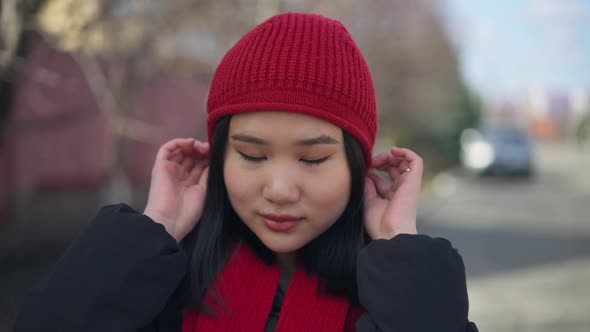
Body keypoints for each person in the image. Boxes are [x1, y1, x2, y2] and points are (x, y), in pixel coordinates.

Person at [15, 12, 478, 332]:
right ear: (220, 157)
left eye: (313, 159)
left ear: (358, 165)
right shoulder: (160, 282)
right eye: (252, 155)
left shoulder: (392, 296)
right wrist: (157, 225)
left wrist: (400, 242)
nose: (278, 190)